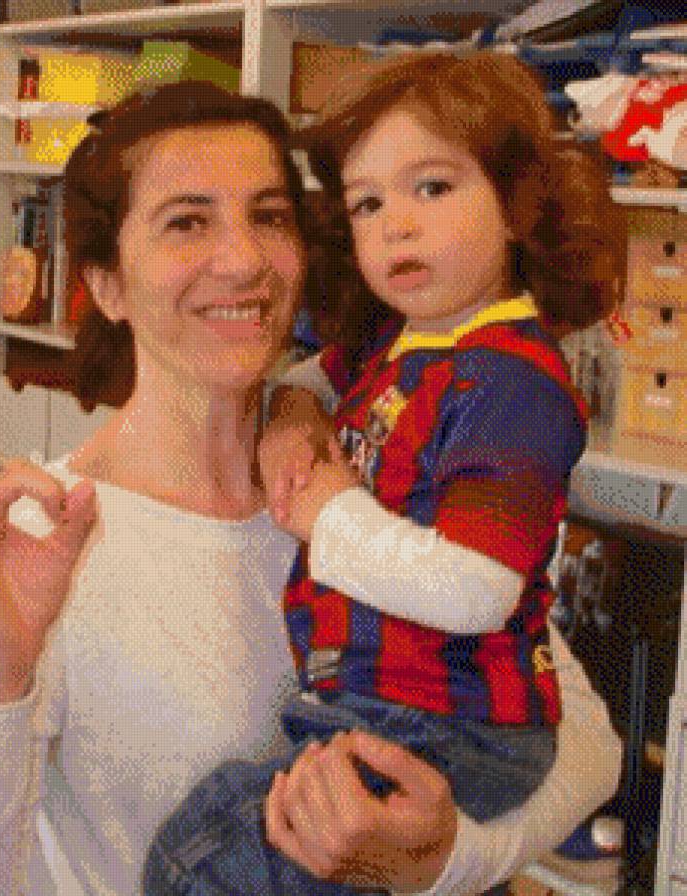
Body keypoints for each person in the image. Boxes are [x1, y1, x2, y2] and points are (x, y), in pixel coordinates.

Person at [0, 80, 621, 896]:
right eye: (187, 222)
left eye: (269, 216)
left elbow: (589, 743)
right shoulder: (44, 544)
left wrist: (440, 861)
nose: (245, 259)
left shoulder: (370, 477)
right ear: (107, 284)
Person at [145, 53, 626, 896]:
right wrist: (294, 415)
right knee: (217, 826)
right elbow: (312, 377)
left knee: (203, 861)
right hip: (385, 704)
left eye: (431, 187)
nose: (395, 224)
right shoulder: (409, 339)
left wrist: (328, 514)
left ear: (517, 205)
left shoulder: (509, 383)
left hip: (446, 721)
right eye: (367, 203)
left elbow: (476, 589)